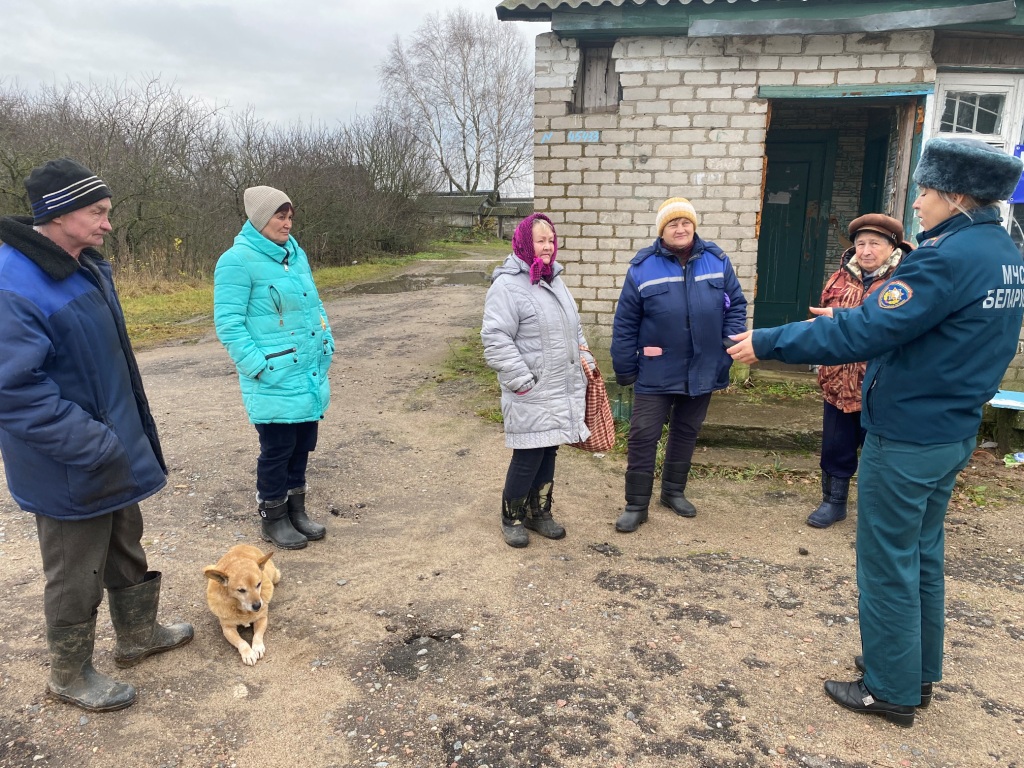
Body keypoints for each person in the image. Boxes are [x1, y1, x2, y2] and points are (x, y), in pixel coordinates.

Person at [727, 138, 1024, 727]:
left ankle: (888, 688)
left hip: (909, 432)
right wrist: (855, 319)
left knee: (888, 560)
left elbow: (865, 333)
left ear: (957, 195)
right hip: (952, 429)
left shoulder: (944, 257)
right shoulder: (1003, 251)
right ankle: (916, 670)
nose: (917, 203)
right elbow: (927, 326)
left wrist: (767, 342)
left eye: (926, 191)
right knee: (921, 554)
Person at [0, 158, 193, 712]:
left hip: (109, 450)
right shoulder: (14, 284)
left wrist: (116, 442)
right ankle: (69, 674)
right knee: (74, 570)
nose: (108, 224)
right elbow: (13, 390)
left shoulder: (82, 264)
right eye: (98, 212)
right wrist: (94, 443)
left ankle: (137, 635)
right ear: (58, 214)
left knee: (124, 541)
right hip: (68, 462)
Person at [611, 197, 747, 533]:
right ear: (662, 230)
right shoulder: (641, 269)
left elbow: (737, 307)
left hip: (703, 366)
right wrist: (625, 367)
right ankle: (636, 505)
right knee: (644, 434)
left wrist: (728, 345)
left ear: (693, 226)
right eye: (673, 224)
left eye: (685, 222)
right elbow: (625, 322)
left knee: (687, 430)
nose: (681, 228)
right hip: (657, 367)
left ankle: (673, 492)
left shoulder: (717, 261)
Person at [214, 186, 334, 550]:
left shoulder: (296, 256)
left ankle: (296, 510)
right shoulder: (236, 260)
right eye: (280, 216)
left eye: (289, 216)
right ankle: (273, 516)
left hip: (307, 371)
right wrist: (258, 366)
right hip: (273, 375)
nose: (287, 223)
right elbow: (228, 324)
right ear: (259, 218)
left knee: (301, 446)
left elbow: (314, 307)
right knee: (277, 448)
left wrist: (327, 343)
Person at [481, 213, 592, 548]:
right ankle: (511, 516)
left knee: (549, 450)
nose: (547, 246)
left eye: (551, 240)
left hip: (560, 387)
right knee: (528, 453)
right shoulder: (507, 286)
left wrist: (585, 360)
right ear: (524, 244)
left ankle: (538, 512)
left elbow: (576, 329)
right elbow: (495, 338)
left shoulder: (554, 280)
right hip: (532, 388)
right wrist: (522, 381)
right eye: (540, 241)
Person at [807, 213, 914, 529]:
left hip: (882, 385)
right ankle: (833, 502)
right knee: (835, 446)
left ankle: (879, 511)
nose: (866, 251)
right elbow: (824, 326)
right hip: (839, 383)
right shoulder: (839, 278)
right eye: (860, 244)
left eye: (875, 244)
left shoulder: (906, 281)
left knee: (881, 453)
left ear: (891, 247)